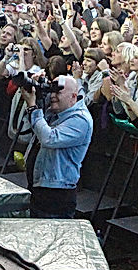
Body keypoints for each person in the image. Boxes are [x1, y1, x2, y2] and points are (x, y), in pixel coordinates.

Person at [20, 75, 93, 219]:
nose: (52, 96)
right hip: (40, 186)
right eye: (51, 92)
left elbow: (49, 138)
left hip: (57, 193)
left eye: (58, 92)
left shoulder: (80, 119)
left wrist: (33, 107)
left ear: (73, 97)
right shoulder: (57, 111)